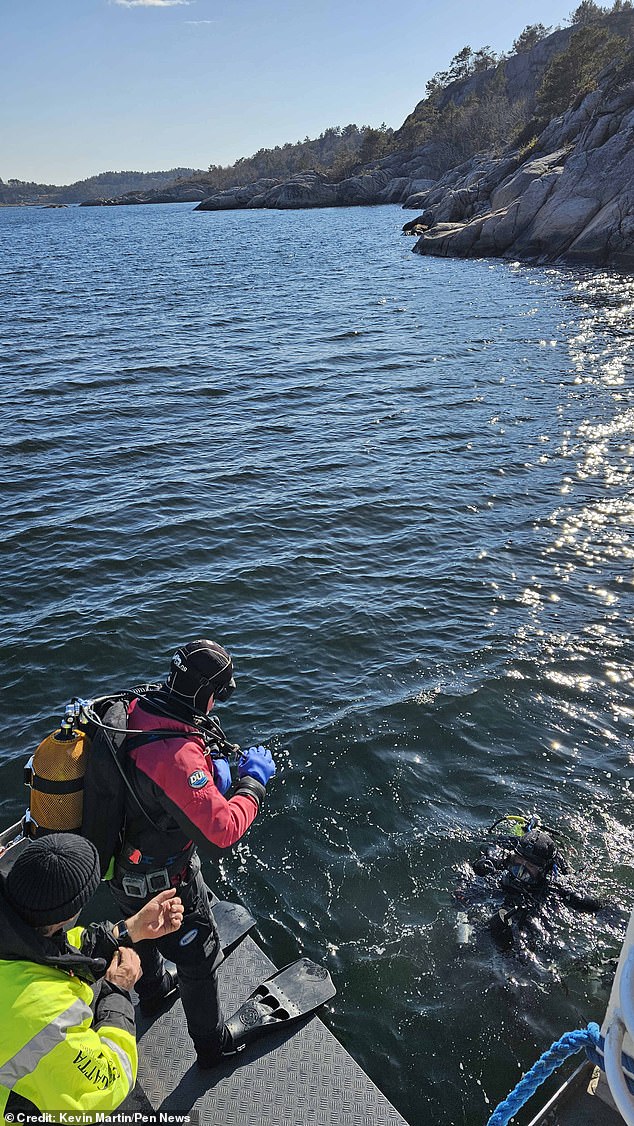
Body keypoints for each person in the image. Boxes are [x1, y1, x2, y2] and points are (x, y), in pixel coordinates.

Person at [104, 638, 276, 1067]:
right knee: (200, 956)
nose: (218, 704)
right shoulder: (178, 756)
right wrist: (252, 783)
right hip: (165, 881)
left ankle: (155, 990)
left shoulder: (139, 708)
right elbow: (222, 830)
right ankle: (212, 1044)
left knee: (140, 933)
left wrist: (208, 774)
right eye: (219, 694)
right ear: (205, 693)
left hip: (118, 864)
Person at [0, 833, 184, 1120]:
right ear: (69, 914)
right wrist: (118, 992)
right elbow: (110, 1082)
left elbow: (50, 950)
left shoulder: (15, 919)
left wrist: (127, 930)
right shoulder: (45, 1016)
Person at [456, 824, 604, 949]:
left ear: (544, 871)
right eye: (519, 861)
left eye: (530, 867)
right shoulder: (499, 868)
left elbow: (595, 906)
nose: (521, 871)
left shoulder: (552, 889)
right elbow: (462, 895)